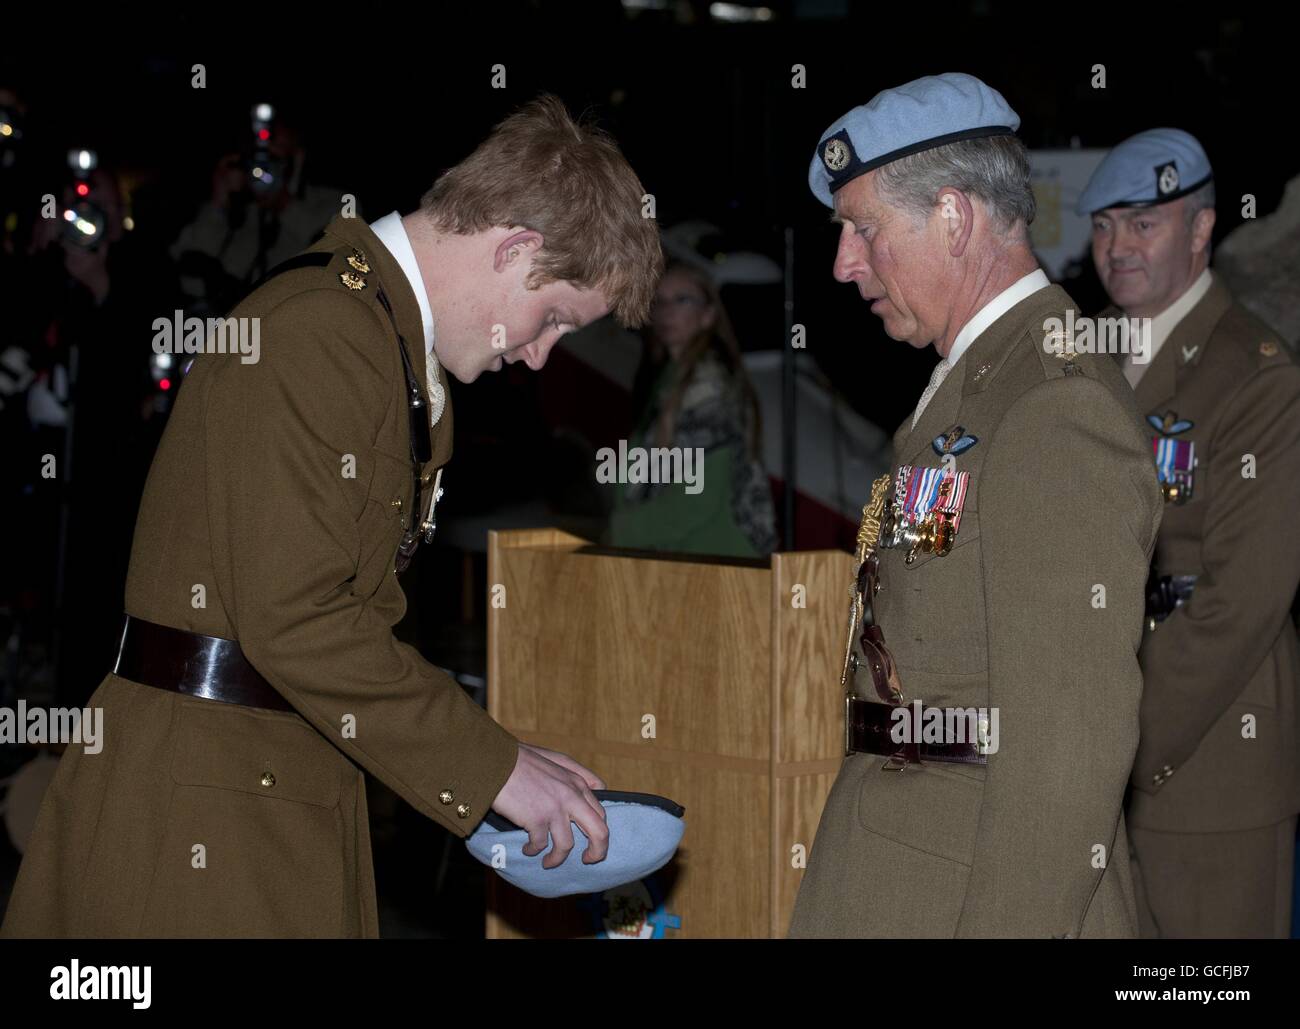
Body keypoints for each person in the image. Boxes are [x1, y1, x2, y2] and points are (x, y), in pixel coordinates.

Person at [1, 95, 663, 937]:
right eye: (556, 319)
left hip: (277, 785)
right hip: (203, 805)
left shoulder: (385, 346)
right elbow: (297, 615)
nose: (538, 354)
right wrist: (494, 768)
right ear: (517, 248)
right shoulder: (322, 331)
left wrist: (495, 758)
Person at [787, 73, 1160, 938]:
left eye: (863, 229)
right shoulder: (974, 388)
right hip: (910, 863)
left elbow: (1067, 748)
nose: (844, 262)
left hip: (973, 893)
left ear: (953, 218)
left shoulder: (1052, 407)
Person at [1079, 128, 1300, 938]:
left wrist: (1117, 744)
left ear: (1202, 229)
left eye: (1144, 223)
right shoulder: (1075, 356)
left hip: (1202, 757)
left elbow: (1243, 601)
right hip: (1083, 751)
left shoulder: (1258, 374)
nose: (1118, 246)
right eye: (1104, 225)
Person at [608, 260, 777, 557]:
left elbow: (697, 498)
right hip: (688, 554)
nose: (666, 310)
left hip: (717, 557)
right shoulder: (670, 378)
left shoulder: (709, 387)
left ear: (708, 316)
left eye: (682, 300)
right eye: (658, 301)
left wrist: (621, 530)